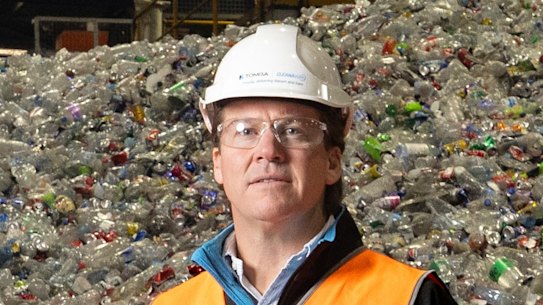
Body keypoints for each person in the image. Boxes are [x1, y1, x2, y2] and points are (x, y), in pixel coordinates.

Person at [152, 23, 458, 305]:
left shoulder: (409, 297)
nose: (268, 150)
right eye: (245, 130)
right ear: (218, 163)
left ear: (332, 162)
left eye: (293, 129)